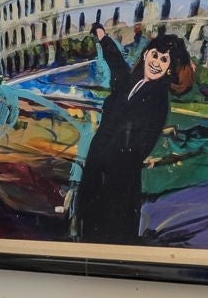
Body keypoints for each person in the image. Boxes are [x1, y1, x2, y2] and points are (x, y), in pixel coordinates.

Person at [74, 24, 194, 244]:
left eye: (164, 60)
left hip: (120, 176)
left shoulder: (158, 99)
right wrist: (102, 36)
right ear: (146, 54)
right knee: (88, 226)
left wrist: (116, 159)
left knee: (112, 233)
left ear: (169, 69)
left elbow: (142, 143)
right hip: (96, 165)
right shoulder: (129, 82)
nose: (156, 63)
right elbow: (116, 62)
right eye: (155, 55)